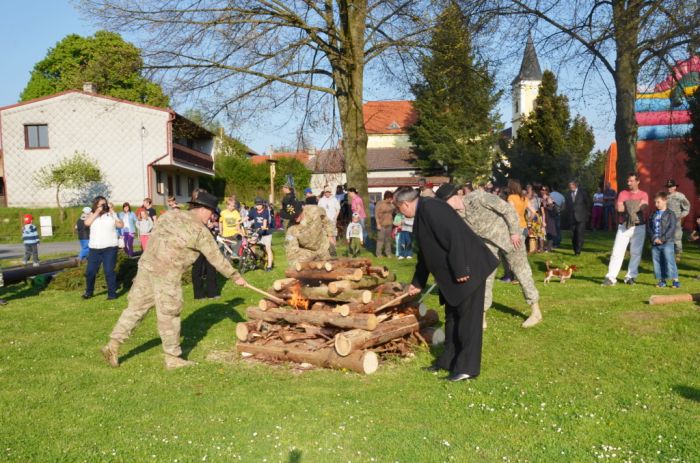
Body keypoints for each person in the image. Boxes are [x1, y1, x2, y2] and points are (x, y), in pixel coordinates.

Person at [101, 191, 247, 369]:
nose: (212, 217)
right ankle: (173, 358)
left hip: (146, 267)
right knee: (169, 315)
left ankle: (113, 345)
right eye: (212, 212)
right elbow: (216, 258)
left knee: (135, 309)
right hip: (166, 275)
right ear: (203, 209)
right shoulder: (200, 231)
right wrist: (236, 276)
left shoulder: (170, 214)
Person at [396, 186, 499, 381]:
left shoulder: (432, 208)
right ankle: (448, 360)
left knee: (468, 321)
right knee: (453, 318)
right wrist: (417, 282)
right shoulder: (421, 215)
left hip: (469, 270)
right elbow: (425, 255)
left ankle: (467, 368)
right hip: (453, 276)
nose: (399, 212)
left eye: (398, 208)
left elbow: (455, 235)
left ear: (405, 204)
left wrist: (462, 269)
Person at [436, 184, 542, 329]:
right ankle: (482, 317)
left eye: (444, 204)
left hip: (510, 239)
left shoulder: (478, 197)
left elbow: (508, 210)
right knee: (485, 278)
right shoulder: (457, 215)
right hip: (487, 246)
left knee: (522, 272)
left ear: (452, 198)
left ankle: (535, 312)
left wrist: (514, 232)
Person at [602, 173, 649, 286]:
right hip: (623, 226)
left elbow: (644, 207)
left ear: (638, 181)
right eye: (628, 181)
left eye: (631, 181)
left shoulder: (644, 194)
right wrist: (634, 206)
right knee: (617, 252)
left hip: (639, 226)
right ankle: (611, 277)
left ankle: (630, 277)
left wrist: (628, 206)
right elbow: (619, 208)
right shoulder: (623, 193)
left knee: (636, 253)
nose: (629, 183)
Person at [83, 196, 124, 300]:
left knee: (109, 271)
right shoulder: (92, 215)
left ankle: (112, 295)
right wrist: (97, 212)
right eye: (101, 204)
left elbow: (120, 225)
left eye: (104, 204)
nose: (103, 206)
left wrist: (112, 212)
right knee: (90, 272)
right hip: (95, 249)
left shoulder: (111, 215)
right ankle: (89, 292)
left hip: (110, 248)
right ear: (96, 205)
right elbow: (86, 223)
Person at [281, 198, 334, 266]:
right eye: (292, 217)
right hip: (308, 254)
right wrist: (296, 265)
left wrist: (330, 235)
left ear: (301, 209)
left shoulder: (315, 210)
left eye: (297, 215)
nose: (295, 218)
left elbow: (326, 221)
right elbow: (290, 249)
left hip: (324, 247)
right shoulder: (291, 229)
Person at [648, 192, 680, 288]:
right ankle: (662, 281)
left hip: (667, 242)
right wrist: (654, 238)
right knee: (657, 261)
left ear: (665, 201)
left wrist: (662, 239)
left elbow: (672, 227)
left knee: (669, 260)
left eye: (658, 202)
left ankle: (675, 281)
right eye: (655, 202)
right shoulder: (653, 214)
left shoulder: (671, 214)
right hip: (655, 243)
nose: (656, 204)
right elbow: (649, 227)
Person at [193, 208, 222, 299]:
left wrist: (214, 223)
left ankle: (212, 292)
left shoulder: (213, 217)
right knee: (197, 269)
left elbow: (219, 223)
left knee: (211, 268)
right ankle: (199, 294)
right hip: (198, 244)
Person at [665, 179, 691, 260]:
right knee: (667, 237)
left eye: (671, 187)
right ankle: (668, 253)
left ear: (675, 187)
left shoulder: (680, 196)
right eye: (668, 187)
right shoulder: (665, 196)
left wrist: (681, 216)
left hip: (676, 220)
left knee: (677, 237)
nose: (669, 188)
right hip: (666, 220)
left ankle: (678, 254)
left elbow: (687, 207)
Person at [564, 180, 590, 256]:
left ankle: (578, 251)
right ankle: (575, 249)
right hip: (572, 217)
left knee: (579, 233)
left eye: (571, 186)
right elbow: (567, 205)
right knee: (573, 235)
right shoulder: (568, 194)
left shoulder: (582, 193)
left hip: (581, 217)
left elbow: (588, 203)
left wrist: (586, 213)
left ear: (575, 185)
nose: (570, 187)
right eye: (569, 186)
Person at [248, 197, 274, 271]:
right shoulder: (253, 211)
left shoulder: (266, 211)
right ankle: (257, 260)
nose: (258, 206)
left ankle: (269, 266)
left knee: (268, 248)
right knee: (251, 245)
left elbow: (265, 221)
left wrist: (264, 226)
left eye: (260, 204)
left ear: (262, 205)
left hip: (266, 233)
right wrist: (239, 221)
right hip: (257, 232)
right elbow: (247, 217)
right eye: (257, 204)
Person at [318, 187, 341, 254]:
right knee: (326, 235)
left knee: (333, 235)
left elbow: (338, 209)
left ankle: (334, 248)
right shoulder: (321, 200)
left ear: (330, 192)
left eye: (329, 192)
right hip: (324, 220)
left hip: (332, 219)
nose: (327, 193)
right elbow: (319, 210)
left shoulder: (334, 200)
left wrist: (335, 217)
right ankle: (328, 249)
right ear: (324, 192)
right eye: (326, 192)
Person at [374, 191, 395, 258]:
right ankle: (378, 254)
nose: (391, 199)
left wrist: (392, 204)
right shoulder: (379, 203)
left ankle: (388, 253)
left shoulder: (391, 204)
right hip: (381, 224)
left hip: (389, 223)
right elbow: (376, 214)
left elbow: (394, 210)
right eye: (391, 198)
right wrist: (378, 224)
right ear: (387, 197)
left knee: (388, 240)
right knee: (380, 239)